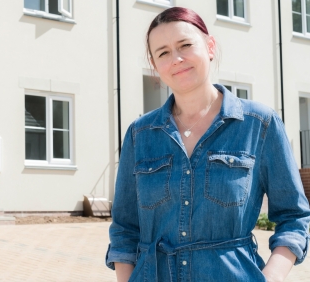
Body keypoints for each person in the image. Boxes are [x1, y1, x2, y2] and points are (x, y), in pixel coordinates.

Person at [105, 6, 310, 282]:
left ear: (210, 46)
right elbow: (124, 230)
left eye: (185, 45)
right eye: (163, 52)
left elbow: (294, 217)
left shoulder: (259, 125)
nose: (176, 58)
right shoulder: (139, 134)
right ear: (155, 65)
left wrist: (271, 277)